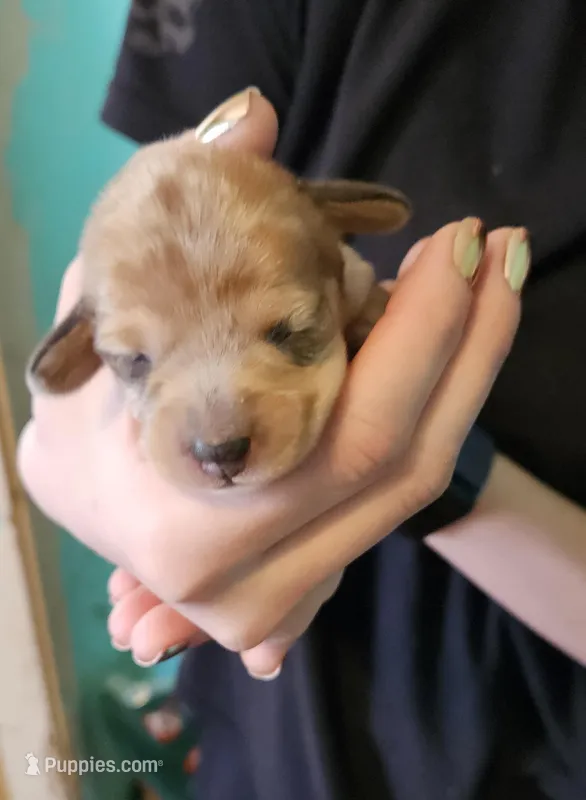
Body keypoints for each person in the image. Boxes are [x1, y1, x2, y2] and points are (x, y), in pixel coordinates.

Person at [17, 1, 586, 798]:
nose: (217, 429)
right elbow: (97, 333)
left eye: (285, 332)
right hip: (275, 748)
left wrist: (441, 472)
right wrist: (65, 469)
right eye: (138, 362)